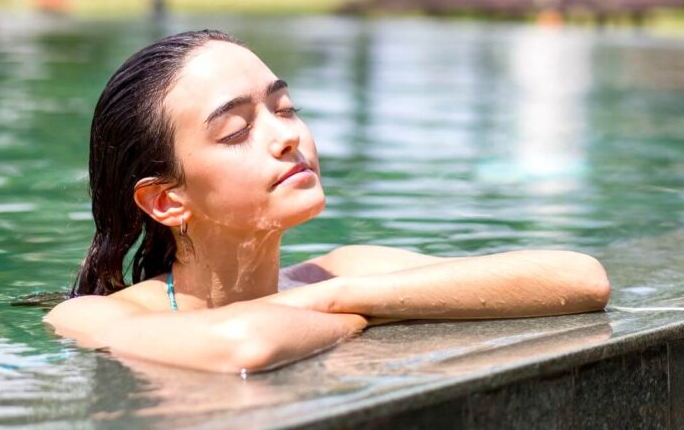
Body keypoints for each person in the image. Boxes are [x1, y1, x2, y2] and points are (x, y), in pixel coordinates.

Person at [44, 29, 611, 374]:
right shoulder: (94, 314)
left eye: (285, 107)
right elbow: (243, 345)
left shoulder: (339, 273)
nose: (287, 136)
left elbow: (580, 279)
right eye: (237, 129)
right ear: (166, 201)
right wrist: (369, 308)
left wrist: (343, 294)